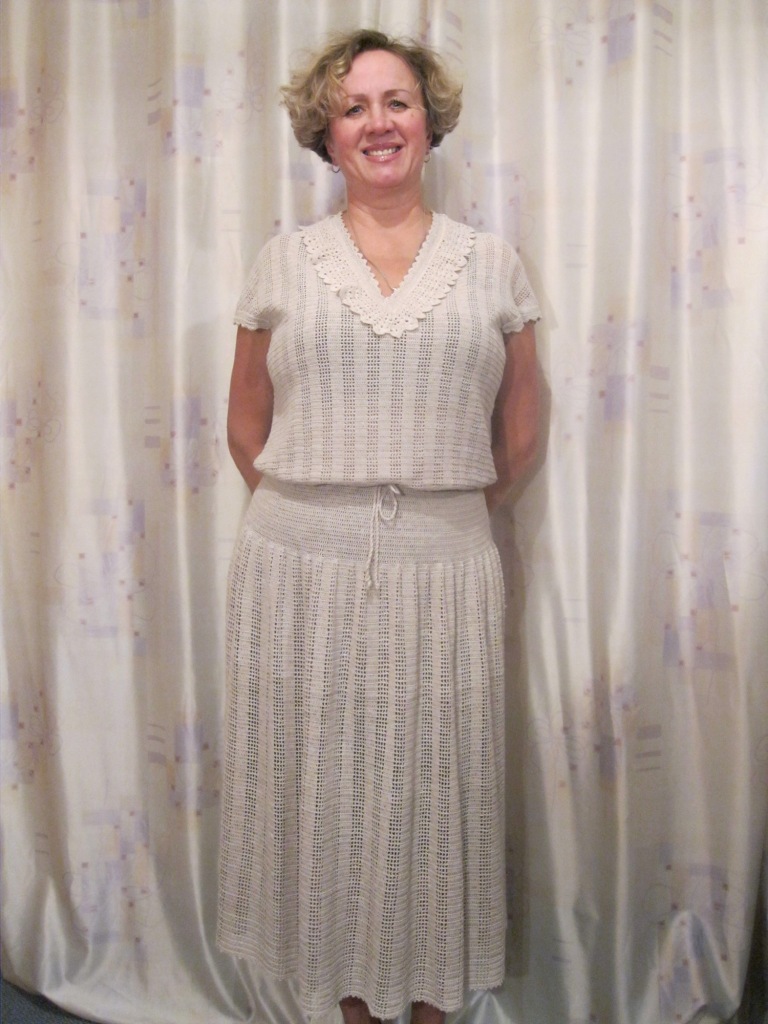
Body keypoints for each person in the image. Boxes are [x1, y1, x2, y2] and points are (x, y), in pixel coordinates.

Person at [217, 28, 540, 1024]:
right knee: (325, 797)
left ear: (430, 121)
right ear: (327, 134)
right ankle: (351, 1011)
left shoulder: (492, 265)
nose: (377, 122)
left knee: (432, 794)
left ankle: (432, 1008)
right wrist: (323, 512)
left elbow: (521, 432)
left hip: (446, 570)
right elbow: (244, 426)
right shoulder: (282, 263)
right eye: (352, 107)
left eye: (396, 101)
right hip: (297, 571)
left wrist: (432, 517)